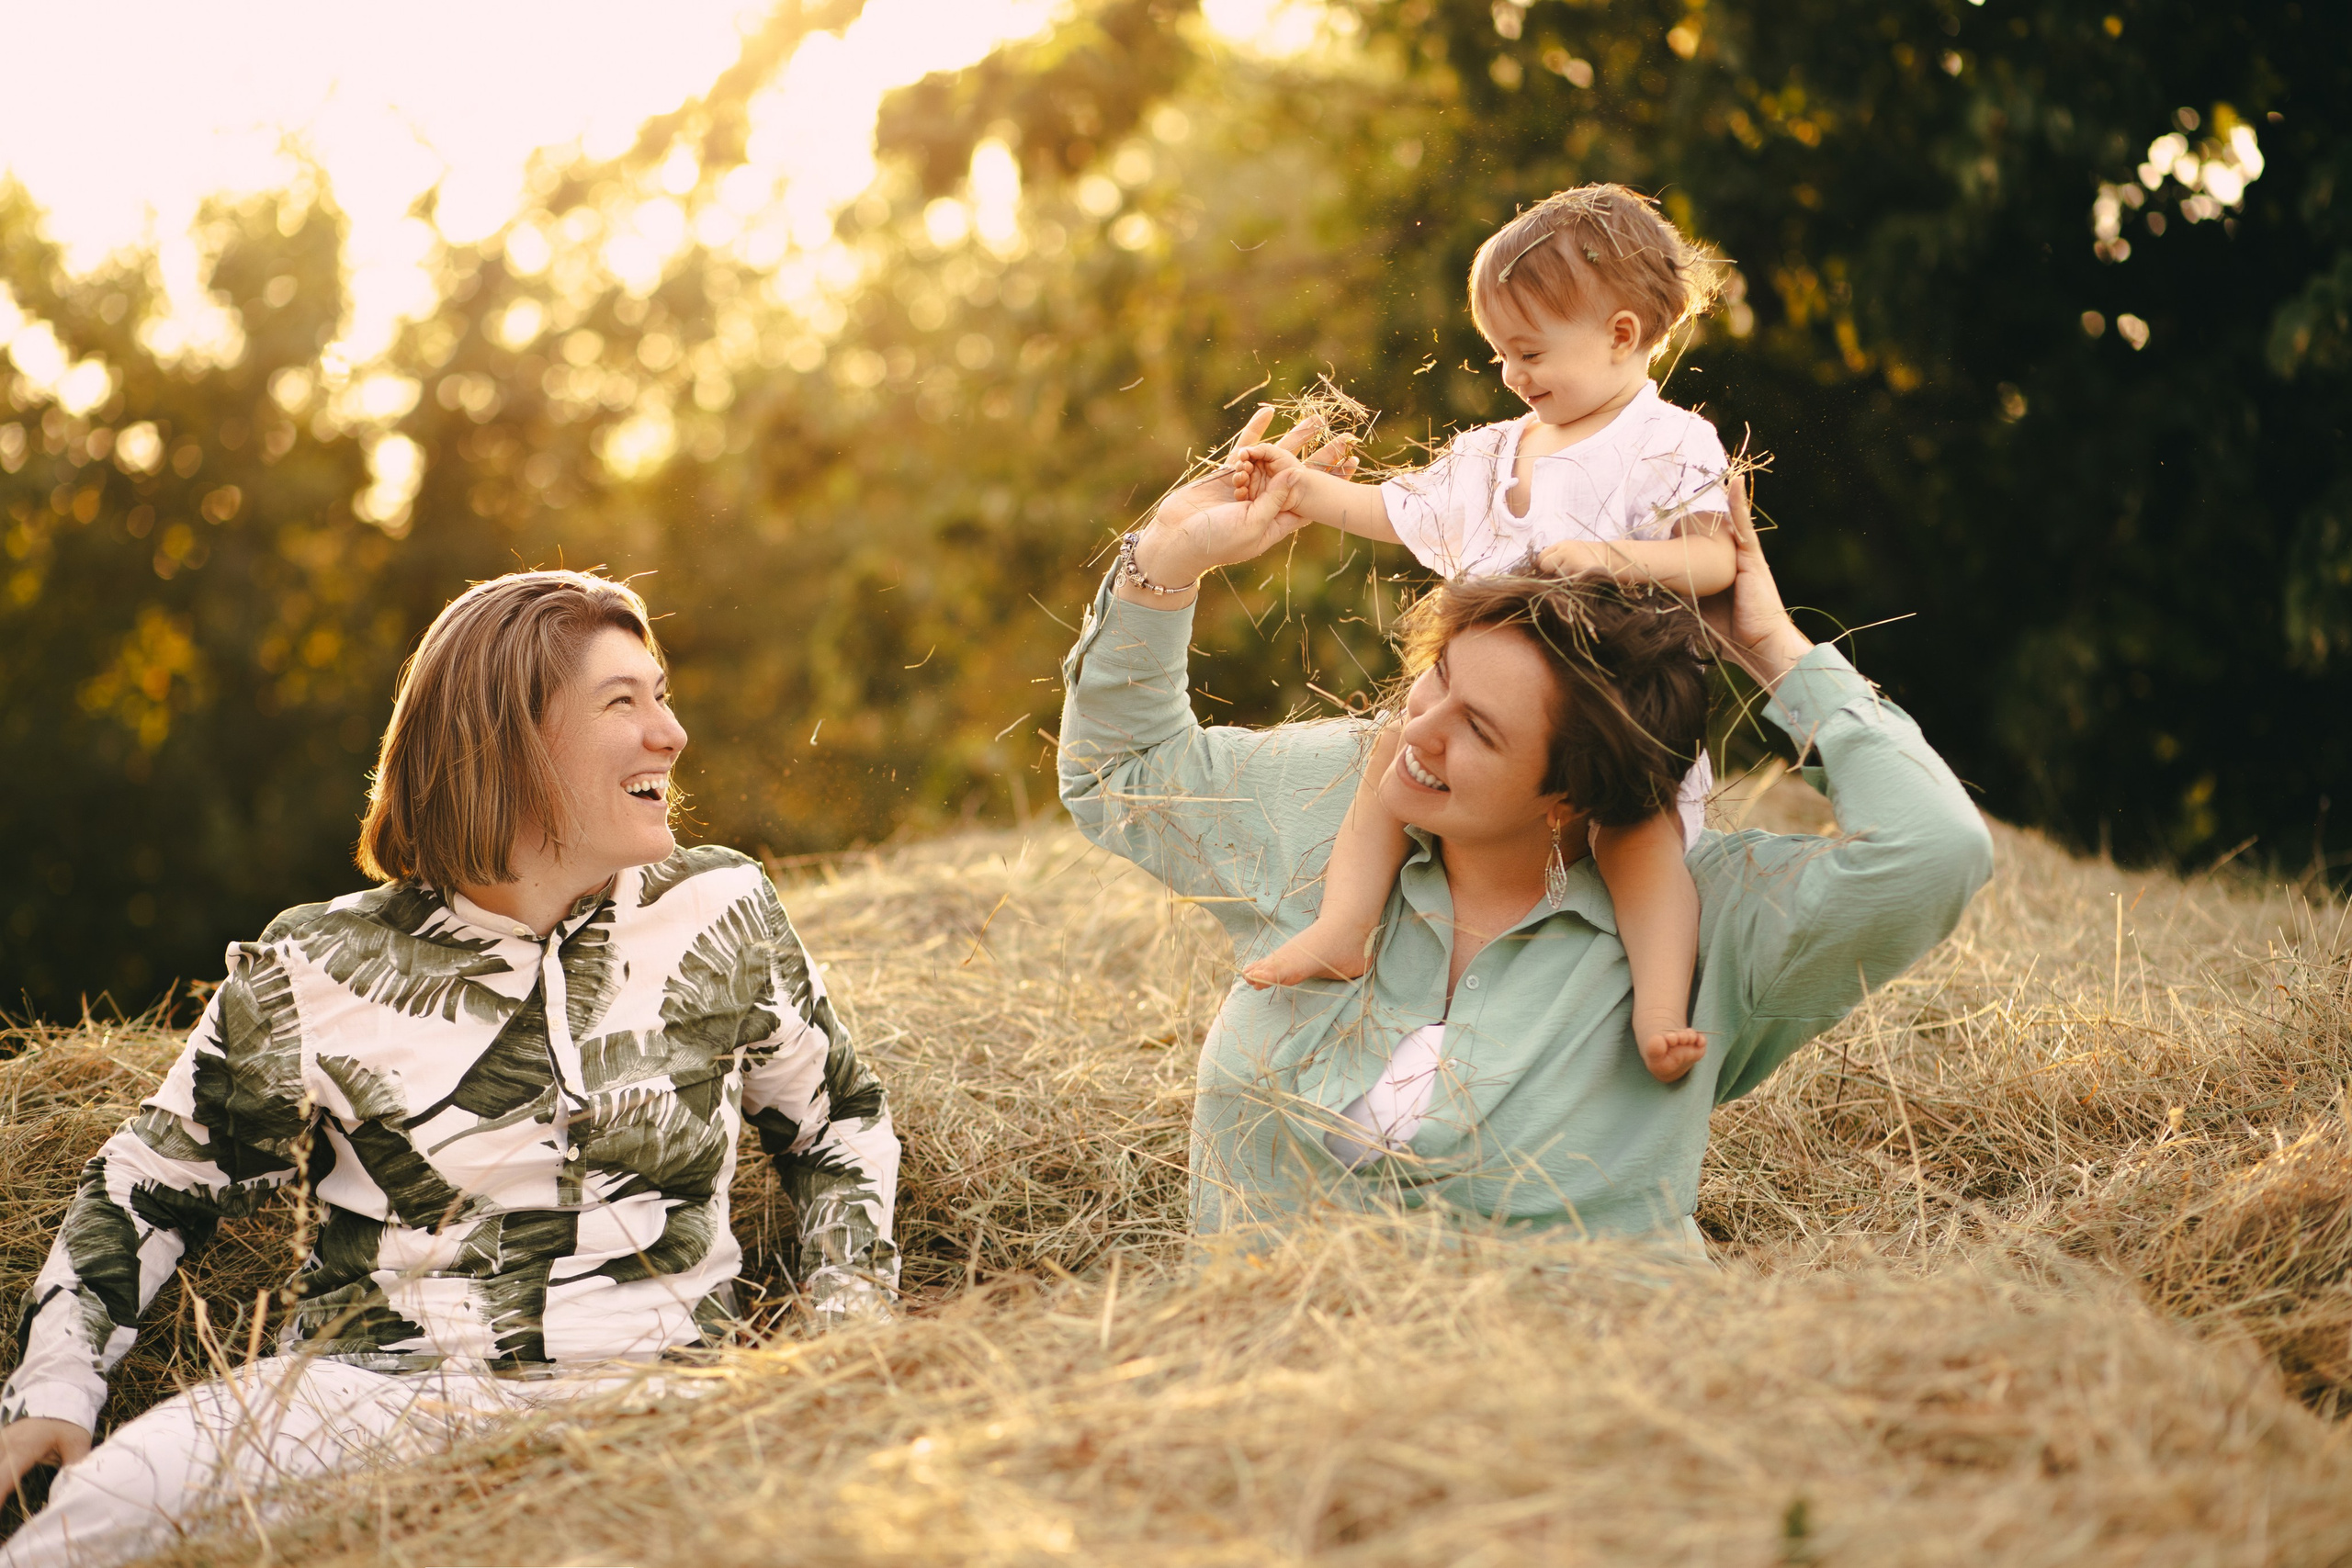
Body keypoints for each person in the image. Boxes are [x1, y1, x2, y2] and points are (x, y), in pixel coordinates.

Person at [0, 571, 899, 1566]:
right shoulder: (316, 964)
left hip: (668, 1393)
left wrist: (848, 1332)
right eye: (623, 702)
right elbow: (148, 1185)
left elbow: (837, 1124)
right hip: (370, 1397)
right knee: (90, 1525)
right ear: (511, 742)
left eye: (662, 693)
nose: (670, 734)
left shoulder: (723, 905)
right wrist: (55, 1385)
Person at [1059, 410, 1991, 1247]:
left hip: (1566, 1410)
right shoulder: (1339, 796)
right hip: (1260, 1402)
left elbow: (1935, 851)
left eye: (1479, 730)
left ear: (1572, 796)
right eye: (1440, 677)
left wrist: (1769, 647)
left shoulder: (1711, 926)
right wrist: (1168, 560)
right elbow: (1120, 774)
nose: (1415, 731)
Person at [1234, 185, 1734, 1090]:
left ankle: (1661, 1011)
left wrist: (1609, 555)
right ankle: (1345, 925)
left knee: (1639, 837)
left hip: (1606, 721)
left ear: (1621, 335)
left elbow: (1713, 564)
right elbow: (1402, 509)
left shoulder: (1668, 443)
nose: (1512, 374)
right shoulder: (1497, 450)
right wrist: (1305, 491)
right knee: (1391, 755)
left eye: (1531, 351)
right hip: (1485, 728)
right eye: (1500, 352)